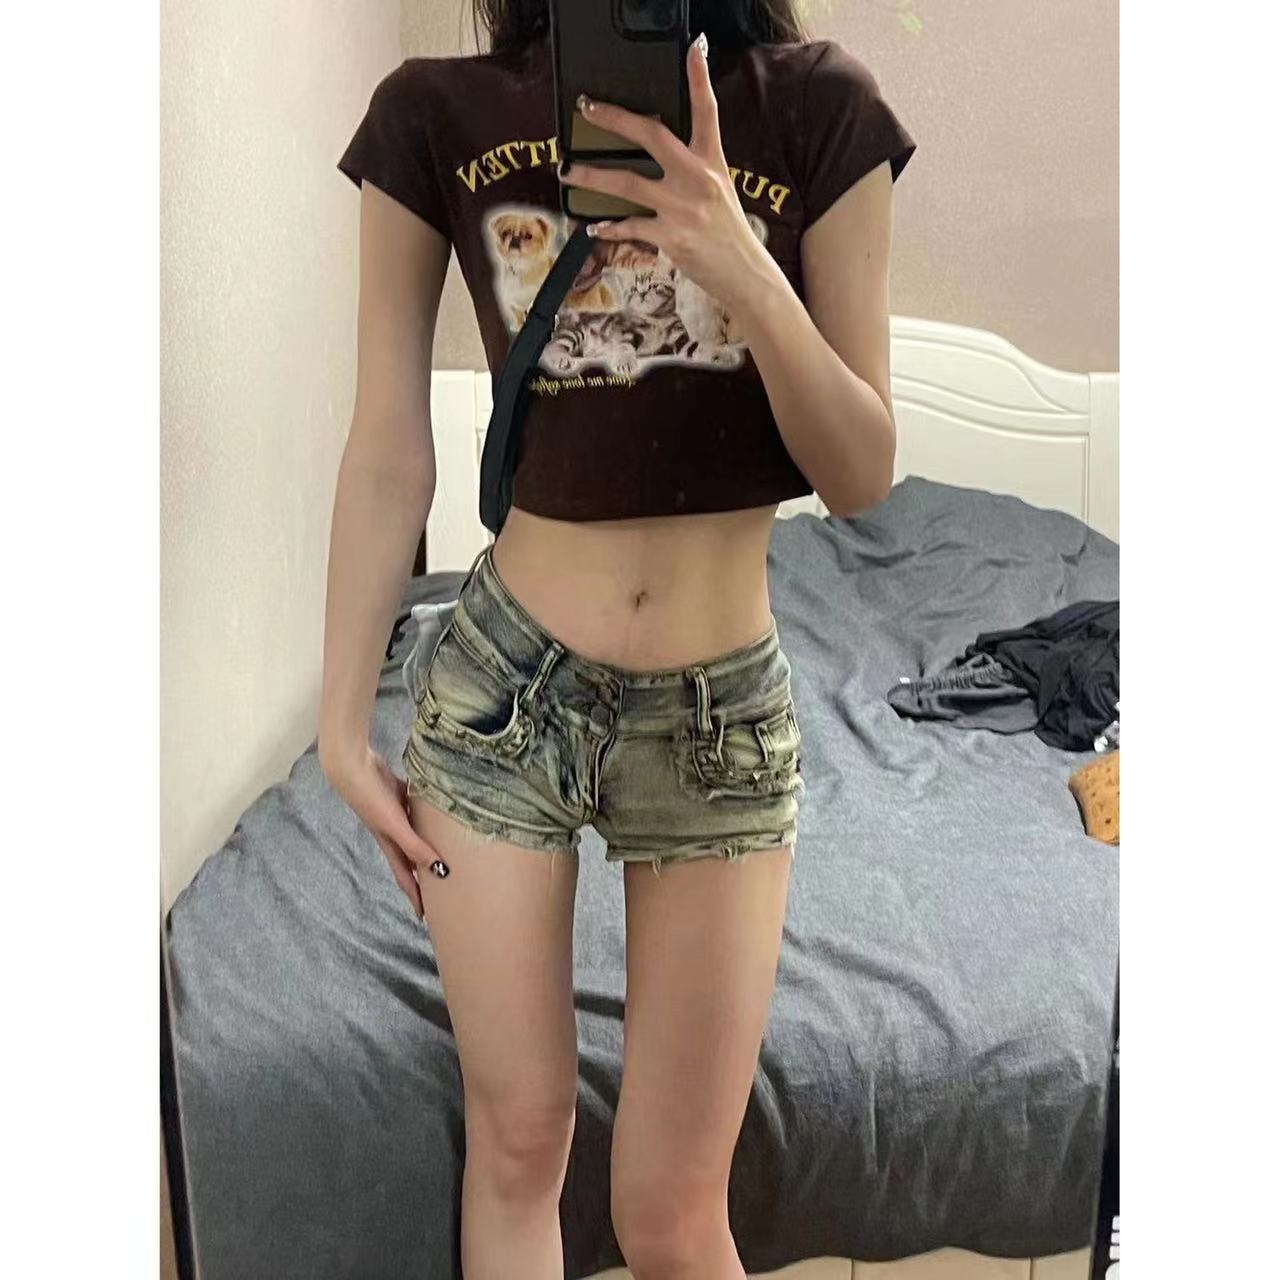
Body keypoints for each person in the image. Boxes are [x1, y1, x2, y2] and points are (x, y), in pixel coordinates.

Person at [323, 3, 914, 1276]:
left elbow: (861, 473)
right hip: (502, 698)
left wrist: (742, 263)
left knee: (669, 1211)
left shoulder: (821, 108)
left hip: (718, 720)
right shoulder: (433, 114)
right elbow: (384, 449)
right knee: (518, 1138)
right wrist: (338, 724)